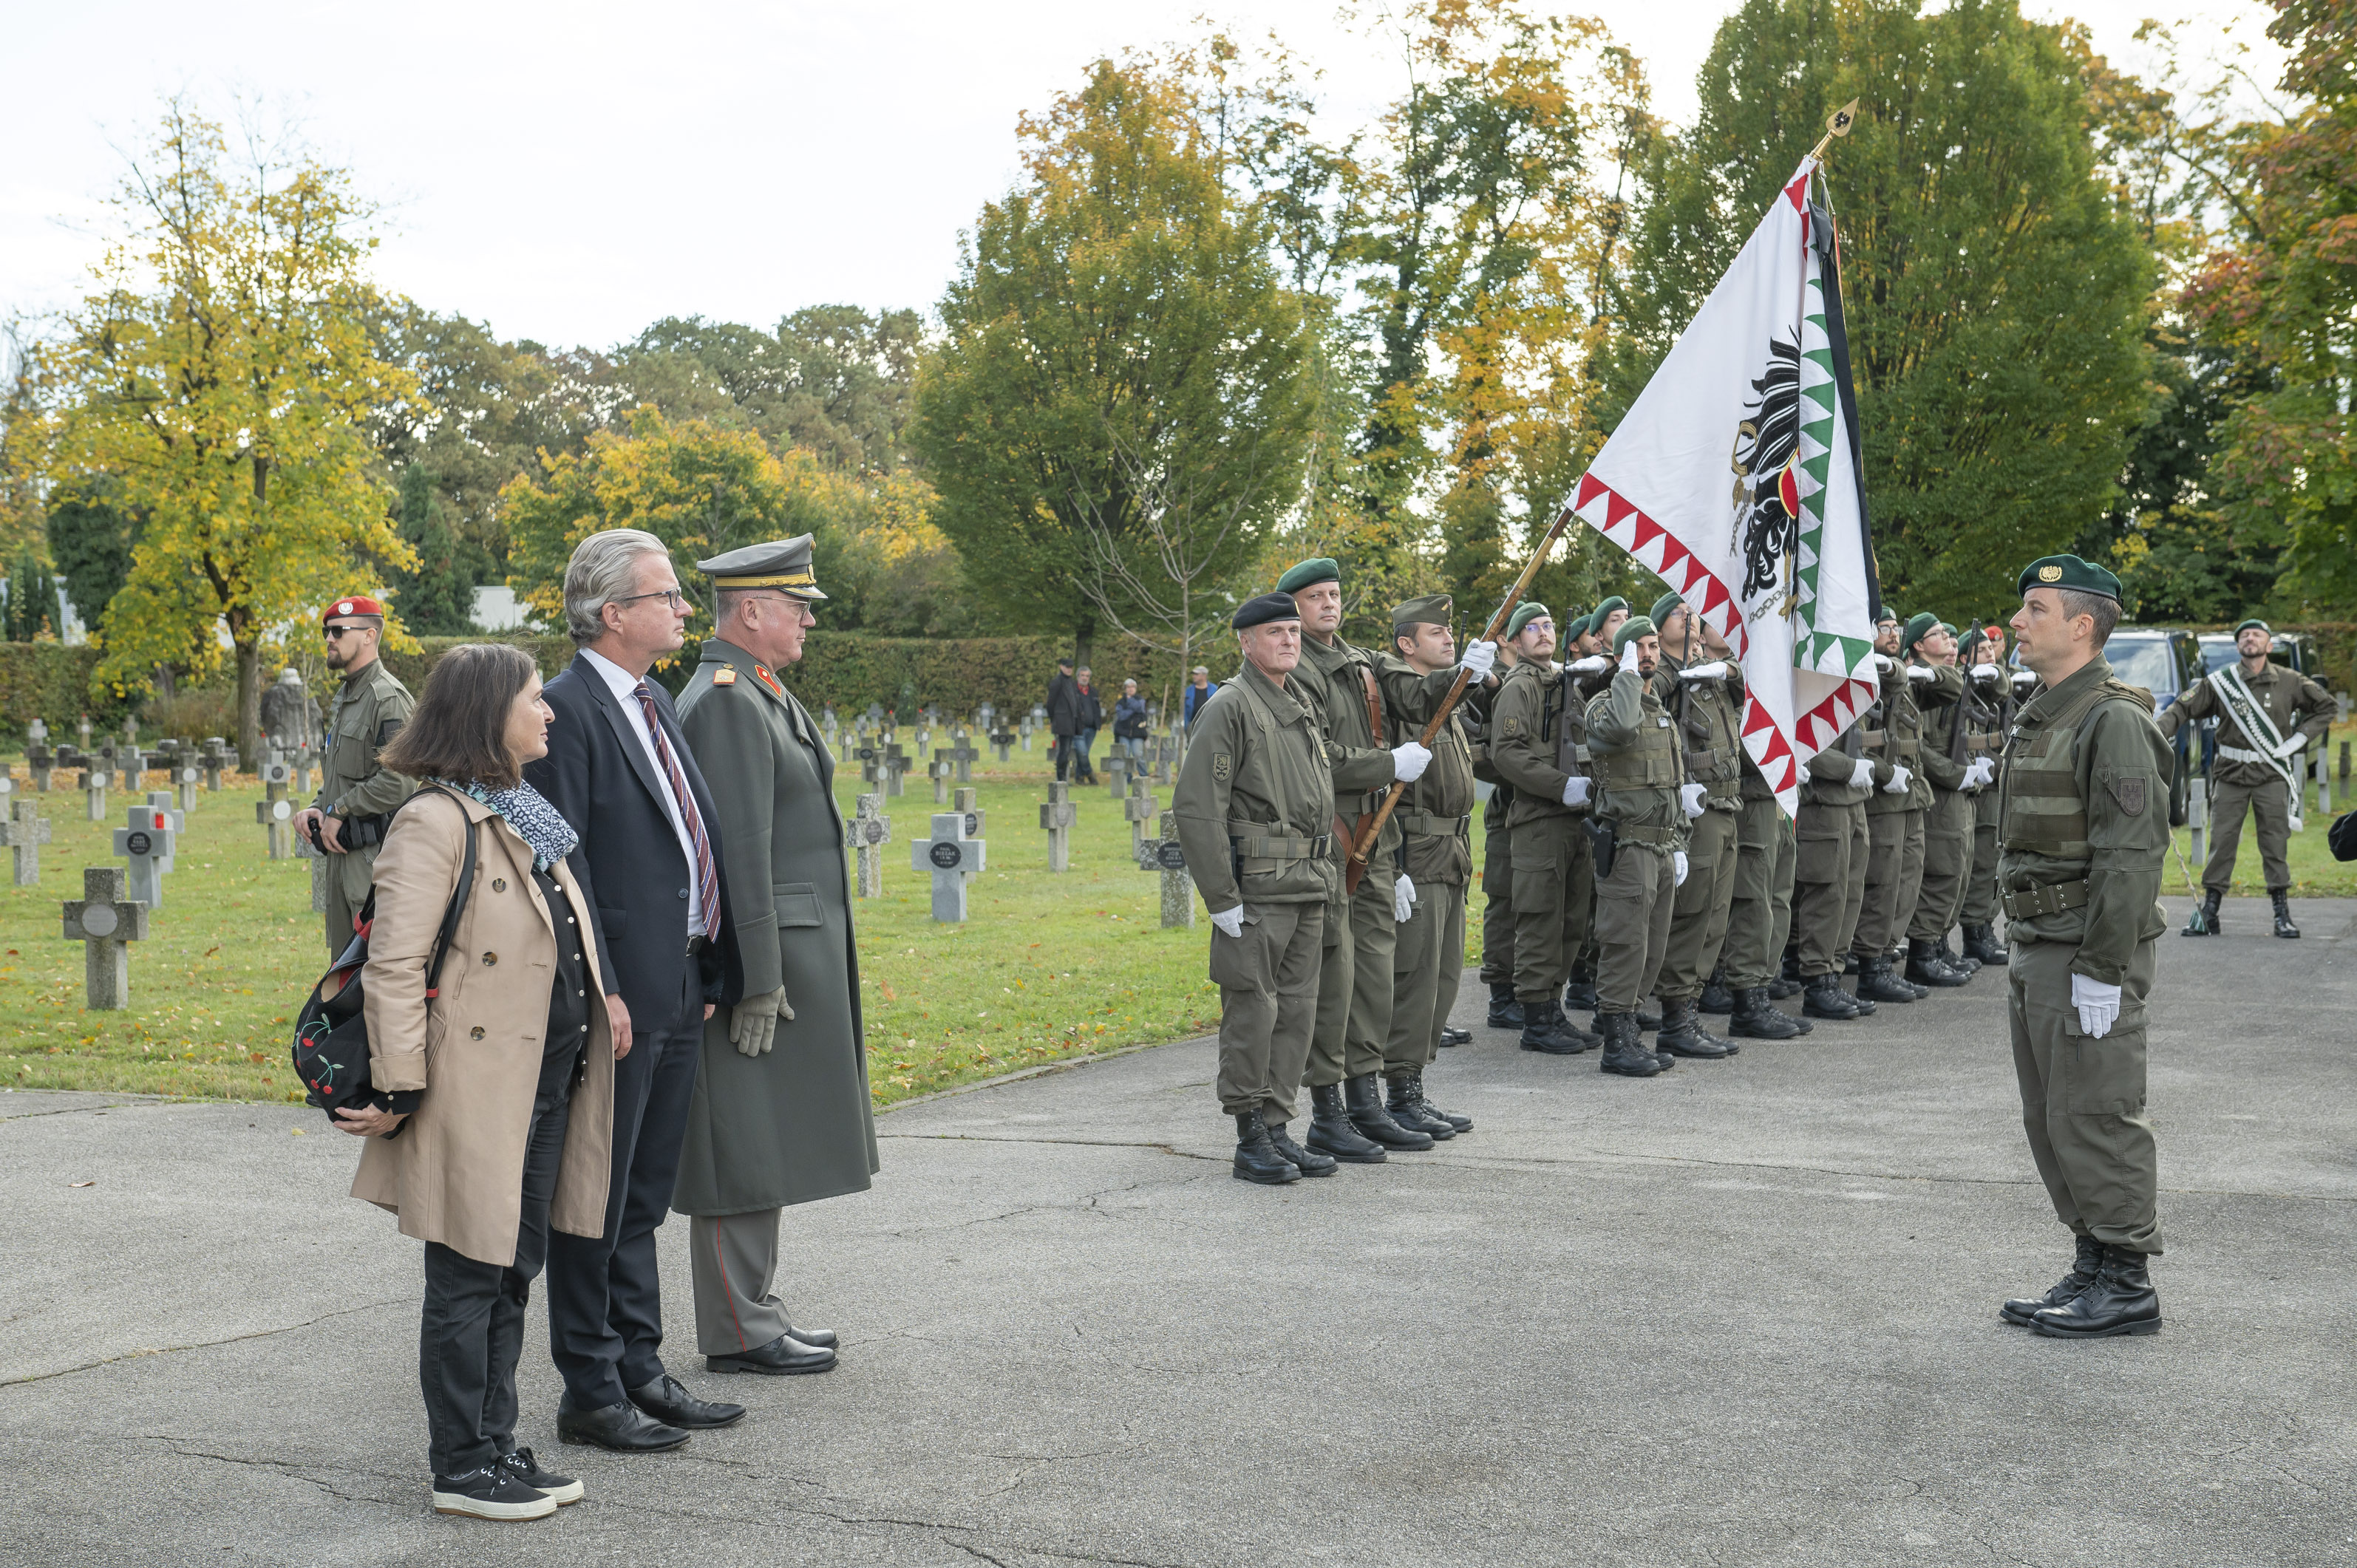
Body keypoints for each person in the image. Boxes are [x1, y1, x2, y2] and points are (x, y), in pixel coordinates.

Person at [344, 642, 619, 1521]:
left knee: (513, 1269)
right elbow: (393, 965)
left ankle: (497, 1443)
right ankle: (462, 1464)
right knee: (468, 1273)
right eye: (535, 699)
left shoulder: (519, 808)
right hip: (471, 1089)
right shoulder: (434, 819)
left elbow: (563, 932)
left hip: (545, 1083)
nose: (550, 712)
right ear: (485, 712)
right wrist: (397, 1085)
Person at [524, 528, 743, 1453]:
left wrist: (708, 961)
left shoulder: (653, 698)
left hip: (679, 980)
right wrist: (602, 991)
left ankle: (642, 1368)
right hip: (615, 999)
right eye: (666, 595)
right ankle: (590, 1385)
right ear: (613, 613)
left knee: (645, 1193)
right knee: (598, 1197)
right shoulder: (563, 711)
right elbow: (555, 863)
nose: (684, 608)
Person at [673, 536, 874, 1377]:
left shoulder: (756, 689)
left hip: (791, 948)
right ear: (749, 611)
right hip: (763, 959)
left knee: (769, 1134)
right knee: (742, 1144)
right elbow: (738, 849)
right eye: (797, 606)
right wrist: (755, 976)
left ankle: (756, 1308)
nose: (808, 620)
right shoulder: (725, 698)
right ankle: (737, 1324)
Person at [1996, 554, 2171, 1338]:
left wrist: (2103, 969)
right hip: (2040, 945)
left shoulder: (2113, 718)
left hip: (2083, 952)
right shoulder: (2045, 711)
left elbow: (2130, 857)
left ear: (2082, 625)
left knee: (2097, 1112)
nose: (2018, 621)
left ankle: (2127, 1281)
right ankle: (2093, 1258)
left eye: (2036, 607)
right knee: (2052, 1116)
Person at [1171, 593, 1337, 1184]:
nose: (1289, 640)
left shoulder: (1298, 701)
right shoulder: (1230, 706)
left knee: (1295, 1013)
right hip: (1258, 889)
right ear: (1245, 641)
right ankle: (1248, 1136)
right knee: (1254, 1011)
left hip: (1306, 883)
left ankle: (1277, 1128)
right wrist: (1221, 897)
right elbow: (1197, 809)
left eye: (1293, 631)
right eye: (1275, 632)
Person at [1278, 557, 1438, 1157]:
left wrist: (1467, 675)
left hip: (1375, 837)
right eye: (1314, 596)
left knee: (1372, 977)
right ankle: (1327, 1109)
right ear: (1292, 608)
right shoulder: (1300, 671)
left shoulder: (1359, 661)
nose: (1327, 604)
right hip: (1334, 837)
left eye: (1333, 594)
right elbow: (1322, 757)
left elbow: (1414, 696)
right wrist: (1388, 764)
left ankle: (1365, 1101)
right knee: (1333, 981)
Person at [1377, 595, 1496, 1128]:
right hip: (1417, 852)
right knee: (1414, 980)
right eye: (1435, 634)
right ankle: (1397, 1092)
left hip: (1452, 853)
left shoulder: (1445, 705)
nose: (1448, 640)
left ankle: (1414, 1086)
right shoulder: (1400, 700)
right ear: (1406, 644)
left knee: (1445, 979)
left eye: (1449, 633)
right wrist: (1394, 863)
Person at [2157, 617, 2335, 938]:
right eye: (2244, 635)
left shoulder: (2291, 681)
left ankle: (2282, 914)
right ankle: (2209, 913)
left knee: (2275, 842)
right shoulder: (2220, 682)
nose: (2250, 638)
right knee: (2221, 842)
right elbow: (2181, 709)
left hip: (2270, 775)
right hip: (2231, 775)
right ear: (2238, 645)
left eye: (2257, 634)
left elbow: (2326, 706)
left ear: (2269, 645)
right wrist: (2155, 734)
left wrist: (2299, 739)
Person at [1489, 603, 1607, 1055]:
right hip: (1541, 820)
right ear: (1516, 642)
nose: (1542, 633)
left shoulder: (1563, 682)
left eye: (1548, 626)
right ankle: (1536, 1018)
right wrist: (1561, 788)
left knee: (1570, 920)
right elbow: (1506, 754)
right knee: (1541, 919)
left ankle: (1552, 1008)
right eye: (1532, 628)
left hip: (1574, 819)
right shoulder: (1520, 686)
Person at [1583, 616, 1695, 1077]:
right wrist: (1626, 676)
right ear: (1618, 657)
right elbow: (1621, 732)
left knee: (1651, 947)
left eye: (1652, 646)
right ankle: (1616, 1042)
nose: (1649, 654)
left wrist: (1681, 839)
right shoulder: (1604, 706)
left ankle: (1628, 1024)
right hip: (1628, 846)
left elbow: (1674, 783)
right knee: (1625, 943)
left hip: (1662, 846)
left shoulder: (1663, 715)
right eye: (1637, 648)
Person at [295, 595, 417, 957]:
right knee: (343, 975)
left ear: (368, 636)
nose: (329, 639)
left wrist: (341, 809)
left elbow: (402, 781)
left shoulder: (387, 699)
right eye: (326, 632)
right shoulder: (347, 696)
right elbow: (341, 773)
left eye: (337, 631)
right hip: (343, 859)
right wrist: (319, 806)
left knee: (373, 972)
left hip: (372, 863)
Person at [1647, 594, 1741, 1058]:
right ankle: (1675, 1016)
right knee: (1691, 914)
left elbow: (1748, 684)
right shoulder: (1661, 674)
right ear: (1659, 627)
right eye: (1680, 613)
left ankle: (1691, 1008)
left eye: (1694, 614)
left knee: (1714, 916)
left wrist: (1725, 669)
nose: (1692, 618)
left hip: (1726, 804)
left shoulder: (1711, 669)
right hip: (1694, 811)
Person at [1850, 610, 1933, 1003]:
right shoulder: (1860, 674)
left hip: (1907, 792)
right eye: (1884, 628)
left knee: (1905, 879)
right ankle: (1872, 963)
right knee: (1882, 883)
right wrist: (1885, 773)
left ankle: (1885, 955)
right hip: (1882, 795)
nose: (1892, 634)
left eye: (1895, 628)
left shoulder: (1893, 672)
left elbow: (1910, 679)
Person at [1904, 615, 1982, 985]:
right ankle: (1922, 953)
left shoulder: (1941, 680)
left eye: (1952, 639)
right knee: (1941, 871)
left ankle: (1938, 945)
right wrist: (1954, 774)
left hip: (1958, 789)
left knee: (1959, 870)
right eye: (1938, 636)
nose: (1951, 643)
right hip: (1940, 789)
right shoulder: (1918, 683)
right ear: (1918, 645)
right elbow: (1915, 744)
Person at [1954, 626, 2014, 966]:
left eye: (1992, 648)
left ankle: (1985, 927)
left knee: (1991, 862)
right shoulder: (1962, 687)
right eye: (1981, 650)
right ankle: (1974, 933)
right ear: (1965, 659)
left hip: (1992, 783)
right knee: (1976, 864)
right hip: (1973, 787)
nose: (1990, 653)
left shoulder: (1992, 684)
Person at [1474, 635, 1522, 1029]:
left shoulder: (1540, 679)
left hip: (1540, 808)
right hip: (1510, 807)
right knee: (1505, 904)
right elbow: (1479, 753)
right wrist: (1528, 770)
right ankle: (1502, 995)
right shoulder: (1487, 683)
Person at [1047, 658, 1084, 781]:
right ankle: (1061, 777)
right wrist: (1055, 719)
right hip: (1062, 721)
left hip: (1071, 721)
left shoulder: (1071, 682)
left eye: (1071, 667)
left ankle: (1063, 777)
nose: (1069, 669)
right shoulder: (1057, 682)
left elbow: (1075, 701)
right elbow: (1050, 703)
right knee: (1064, 750)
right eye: (1067, 667)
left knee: (1067, 750)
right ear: (1061, 667)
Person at [1072, 667, 1104, 783]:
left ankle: (1079, 778)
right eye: (1082, 675)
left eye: (1087, 676)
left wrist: (1098, 723)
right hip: (1078, 728)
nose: (1085, 678)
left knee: (1085, 754)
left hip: (1092, 728)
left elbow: (1096, 708)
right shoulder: (1072, 691)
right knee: (1083, 753)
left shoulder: (1094, 691)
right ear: (1078, 677)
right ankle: (1090, 775)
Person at [1112, 678, 1150, 767]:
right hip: (1123, 732)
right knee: (1125, 755)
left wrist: (1130, 703)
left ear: (1136, 688)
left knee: (1138, 755)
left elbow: (1140, 708)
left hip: (1138, 733)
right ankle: (1127, 778)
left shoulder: (1141, 699)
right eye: (1128, 687)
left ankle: (1143, 776)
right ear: (1125, 689)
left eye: (1132, 686)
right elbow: (1121, 716)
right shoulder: (1120, 702)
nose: (1130, 689)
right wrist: (1133, 710)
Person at [1183, 665, 1217, 729]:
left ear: (1204, 676)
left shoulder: (1214, 689)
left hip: (1210, 725)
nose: (1193, 676)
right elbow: (1185, 711)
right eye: (1193, 674)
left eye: (1196, 674)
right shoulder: (1188, 690)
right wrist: (1186, 726)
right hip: (1192, 725)